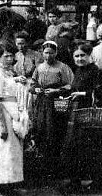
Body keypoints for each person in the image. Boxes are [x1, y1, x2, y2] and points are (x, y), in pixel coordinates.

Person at [62, 42, 102, 193]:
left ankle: (97, 181)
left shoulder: (95, 71)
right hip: (79, 114)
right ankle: (76, 181)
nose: (79, 59)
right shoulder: (78, 70)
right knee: (77, 148)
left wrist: (82, 94)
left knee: (93, 148)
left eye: (82, 56)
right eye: (76, 56)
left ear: (89, 56)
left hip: (92, 116)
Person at [29, 41, 74, 177]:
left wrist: (56, 90)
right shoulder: (39, 67)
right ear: (42, 53)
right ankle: (43, 167)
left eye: (51, 52)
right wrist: (36, 89)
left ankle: (56, 168)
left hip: (57, 103)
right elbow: (32, 84)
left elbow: (70, 85)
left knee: (55, 131)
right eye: (46, 53)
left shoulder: (62, 67)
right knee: (41, 130)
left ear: (56, 53)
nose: (48, 56)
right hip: (42, 103)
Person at [0, 47, 26, 196]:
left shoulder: (7, 73)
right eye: (6, 56)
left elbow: (8, 86)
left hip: (11, 113)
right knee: (2, 153)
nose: (10, 59)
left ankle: (9, 187)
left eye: (11, 56)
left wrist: (16, 80)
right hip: (2, 115)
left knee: (10, 153)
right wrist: (3, 125)